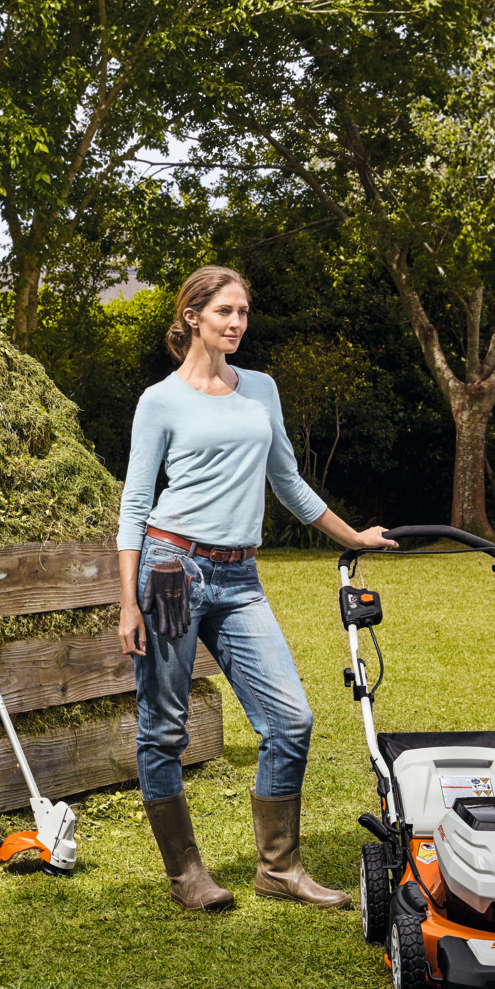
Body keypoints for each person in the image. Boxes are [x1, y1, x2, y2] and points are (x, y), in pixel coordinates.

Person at [119, 265, 396, 911]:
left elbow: (289, 482)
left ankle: (279, 867)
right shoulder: (160, 400)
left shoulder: (261, 390)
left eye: (243, 311)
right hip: (169, 571)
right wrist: (127, 600)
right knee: (164, 728)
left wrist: (351, 535)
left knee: (291, 719)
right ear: (192, 316)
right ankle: (187, 872)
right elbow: (135, 502)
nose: (237, 323)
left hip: (239, 574)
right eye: (224, 312)